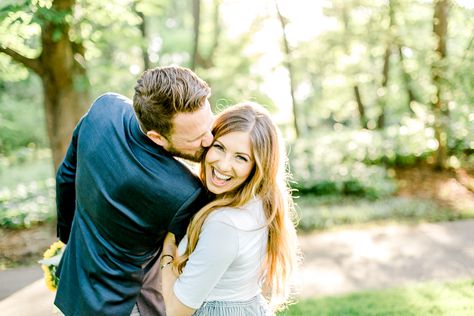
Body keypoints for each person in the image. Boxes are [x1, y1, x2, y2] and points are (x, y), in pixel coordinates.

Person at [54, 66, 215, 316]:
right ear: (157, 137)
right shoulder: (185, 192)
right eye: (195, 138)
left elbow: (65, 177)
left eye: (209, 124)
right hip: (126, 305)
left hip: (74, 284)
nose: (209, 140)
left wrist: (67, 238)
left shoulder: (104, 108)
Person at [160, 102, 300, 315]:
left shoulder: (224, 224)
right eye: (219, 147)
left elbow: (175, 310)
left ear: (258, 166)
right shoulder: (260, 200)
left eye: (241, 157)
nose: (224, 165)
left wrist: (168, 249)